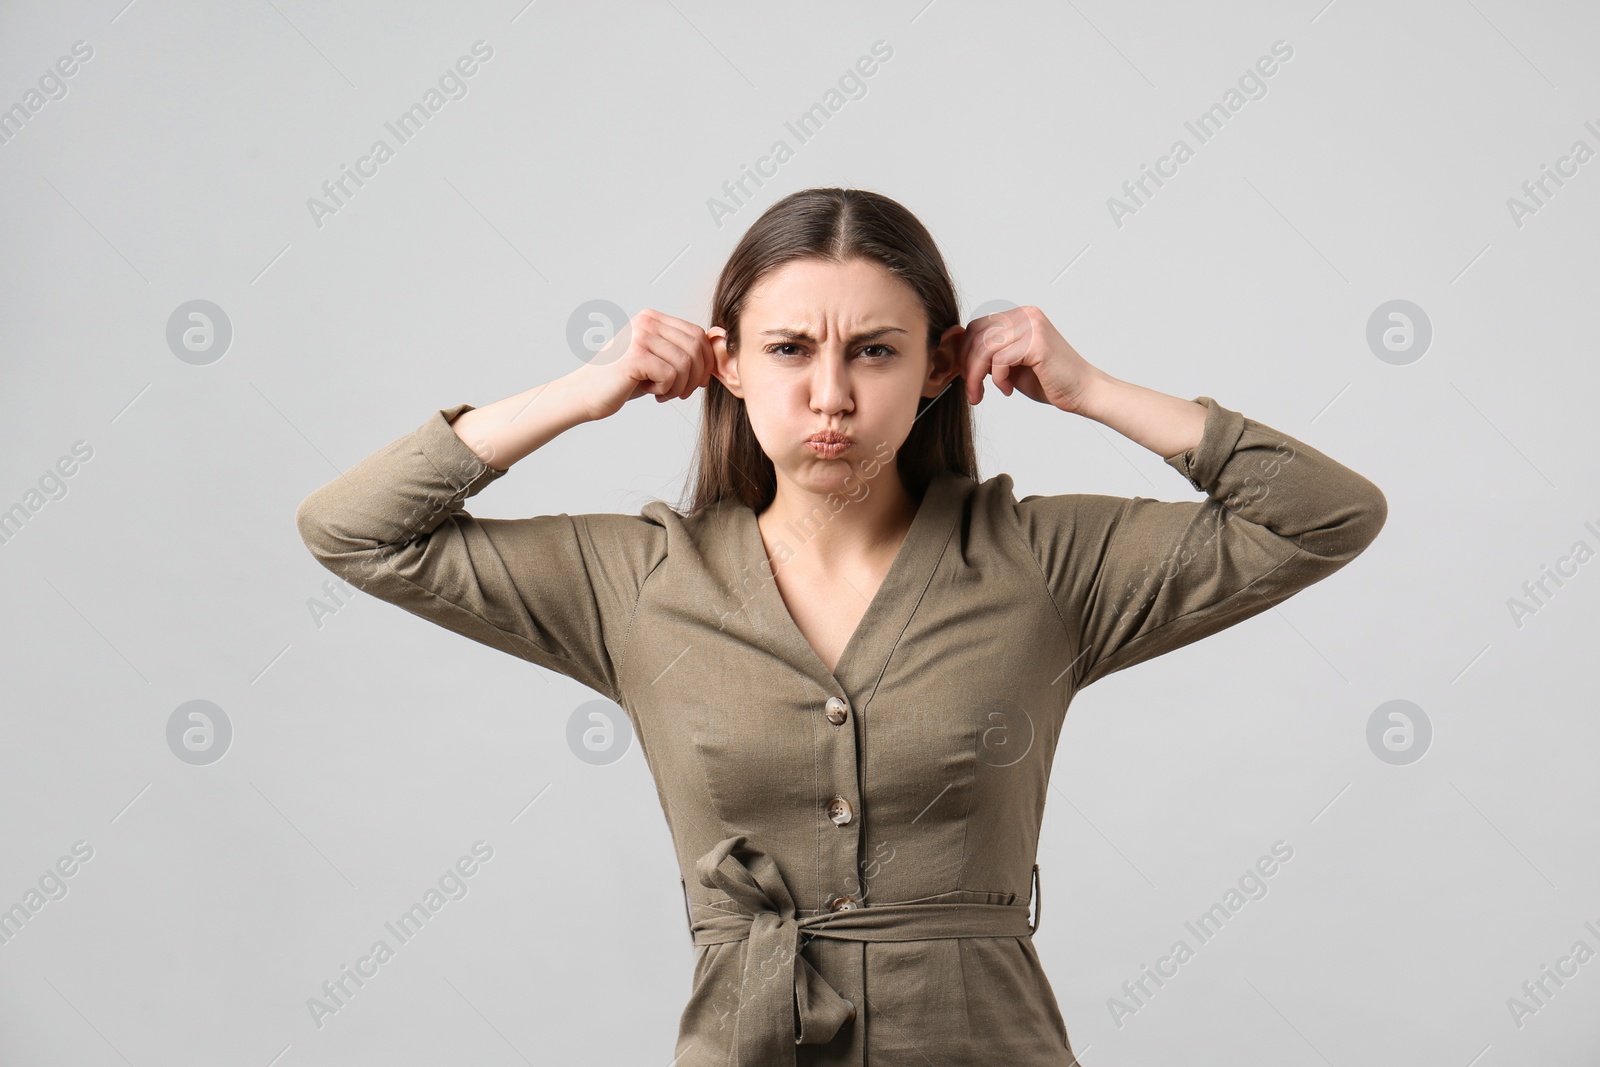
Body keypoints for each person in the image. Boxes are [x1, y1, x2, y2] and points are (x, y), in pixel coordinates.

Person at [295, 187, 1387, 1065]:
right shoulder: (638, 581)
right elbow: (354, 531)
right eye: (786, 351)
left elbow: (1325, 515)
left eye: (873, 350)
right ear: (725, 363)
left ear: (938, 368)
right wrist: (584, 389)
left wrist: (1090, 386)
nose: (830, 395)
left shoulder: (1041, 563)